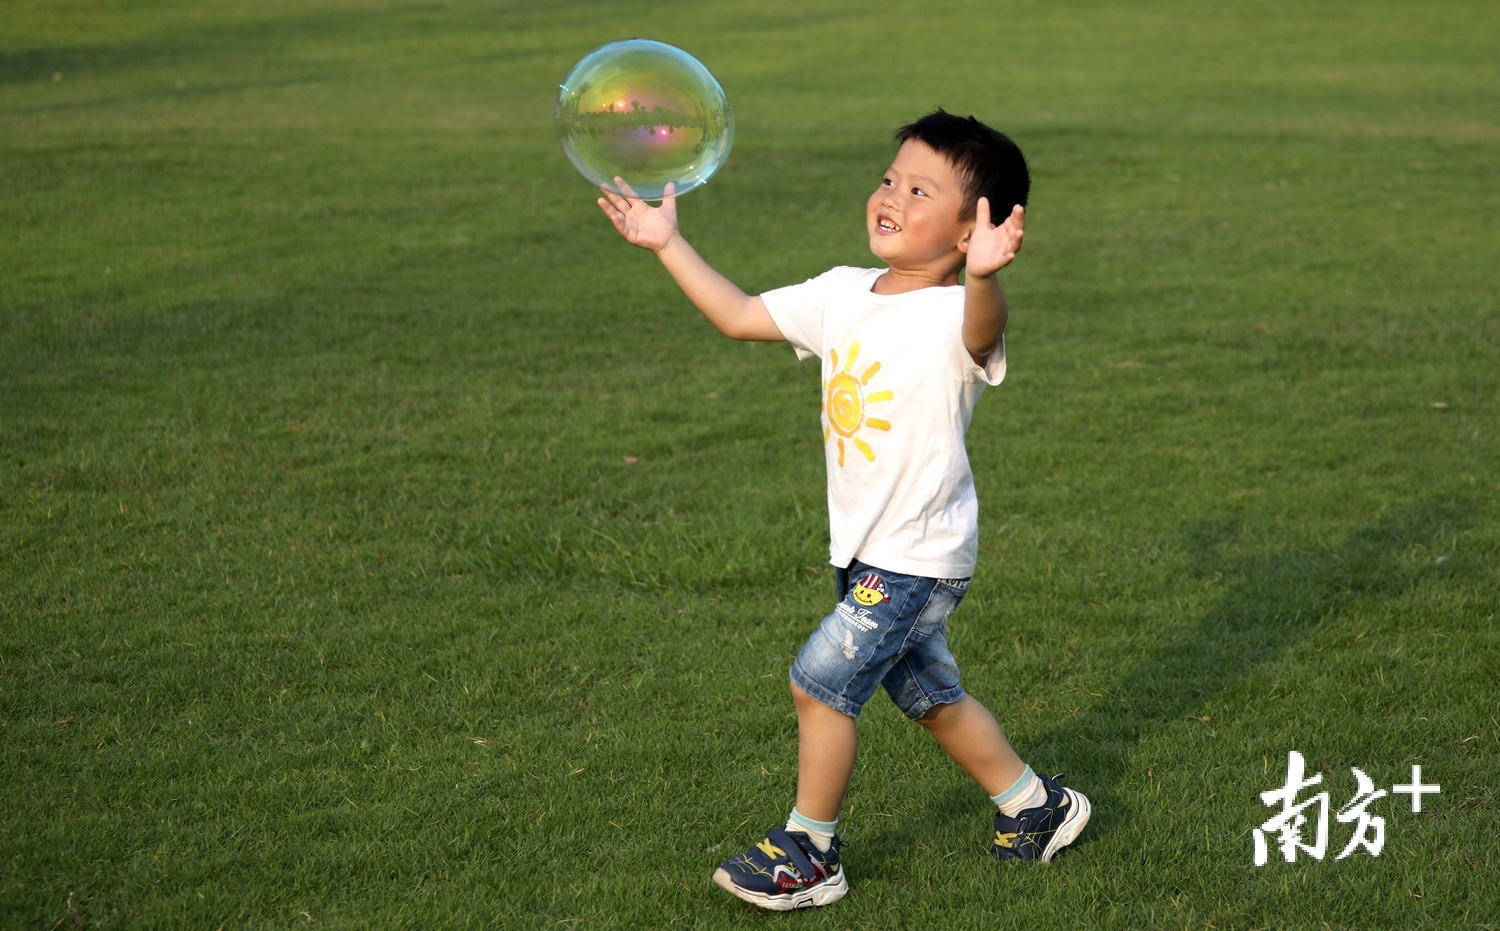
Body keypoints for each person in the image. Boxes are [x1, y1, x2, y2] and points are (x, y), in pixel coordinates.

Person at [597, 108, 1089, 911]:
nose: (891, 195)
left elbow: (981, 326)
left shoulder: (955, 313)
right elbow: (738, 315)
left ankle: (811, 849)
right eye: (890, 178)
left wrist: (987, 275)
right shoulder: (840, 293)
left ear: (974, 229)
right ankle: (1036, 804)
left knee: (819, 684)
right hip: (863, 550)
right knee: (933, 700)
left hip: (915, 556)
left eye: (922, 189)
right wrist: (667, 244)